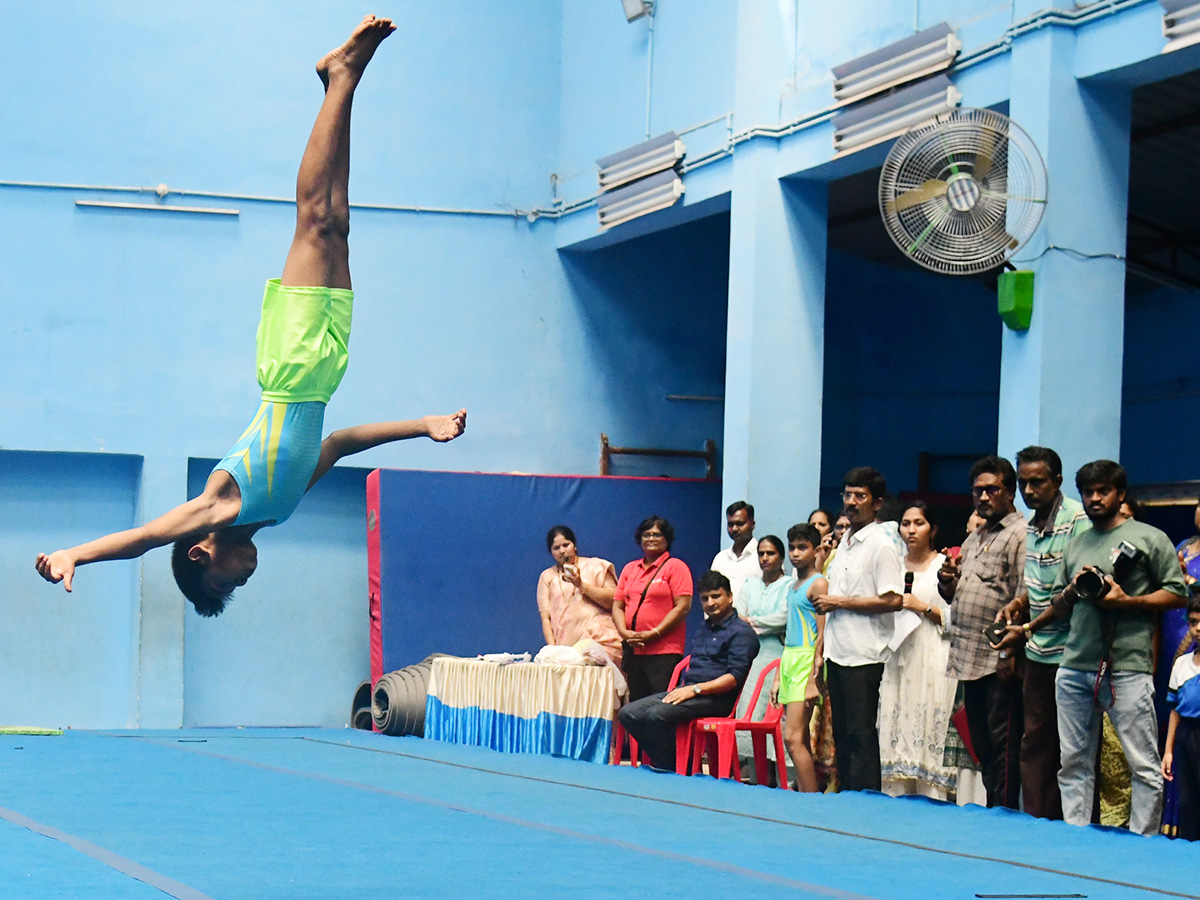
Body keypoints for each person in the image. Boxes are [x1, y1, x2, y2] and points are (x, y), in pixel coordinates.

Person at [34, 17, 467, 615]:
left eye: (225, 583)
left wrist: (76, 554)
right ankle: (342, 83)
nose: (242, 578)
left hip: (291, 365)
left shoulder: (219, 507)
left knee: (314, 218)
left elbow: (141, 539)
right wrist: (424, 424)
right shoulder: (276, 510)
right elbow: (337, 443)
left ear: (198, 555)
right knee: (336, 222)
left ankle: (341, 77)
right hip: (326, 365)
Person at [1019, 460, 1188, 835]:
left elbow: (1178, 594)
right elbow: (1064, 602)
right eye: (1088, 492)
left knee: (1141, 763)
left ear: (1120, 493)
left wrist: (1127, 602)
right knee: (1073, 760)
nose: (1095, 498)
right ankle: (1076, 835)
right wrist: (1031, 624)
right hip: (1076, 662)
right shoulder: (1077, 544)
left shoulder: (1149, 538)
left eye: (1103, 491)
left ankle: (1142, 839)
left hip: (1128, 664)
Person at [994, 446, 1090, 820]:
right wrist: (1019, 604)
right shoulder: (1031, 525)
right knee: (1033, 742)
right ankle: (1037, 824)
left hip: (1073, 651)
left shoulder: (1077, 521)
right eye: (1023, 483)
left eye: (1038, 482)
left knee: (1072, 747)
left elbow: (1073, 592)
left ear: (1058, 482)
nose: (1029, 490)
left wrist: (1029, 626)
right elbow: (1038, 586)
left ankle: (1073, 826)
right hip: (1038, 654)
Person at [940, 455, 1026, 809]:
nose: (984, 497)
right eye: (978, 490)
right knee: (982, 745)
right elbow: (960, 595)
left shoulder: (1020, 535)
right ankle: (994, 808)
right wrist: (948, 584)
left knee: (1003, 744)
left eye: (993, 489)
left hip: (998, 659)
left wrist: (1009, 654)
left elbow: (1024, 597)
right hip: (968, 657)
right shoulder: (976, 537)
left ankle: (1003, 813)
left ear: (1010, 492)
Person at [814, 467, 904, 792]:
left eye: (860, 496)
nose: (851, 502)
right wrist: (821, 653)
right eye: (847, 495)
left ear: (877, 502)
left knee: (861, 733)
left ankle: (867, 802)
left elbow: (894, 599)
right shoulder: (844, 543)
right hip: (838, 652)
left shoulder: (881, 545)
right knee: (841, 734)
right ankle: (847, 797)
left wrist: (841, 602)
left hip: (865, 654)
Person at [617, 570, 760, 772]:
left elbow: (733, 678)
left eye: (716, 596)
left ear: (729, 596)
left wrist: (695, 690)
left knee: (656, 715)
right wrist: (688, 690)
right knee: (628, 713)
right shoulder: (704, 628)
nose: (710, 603)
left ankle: (677, 768)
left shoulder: (742, 633)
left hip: (717, 699)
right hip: (690, 692)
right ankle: (677, 765)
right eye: (705, 599)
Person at [878, 502, 957, 800]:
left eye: (919, 523)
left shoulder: (944, 567)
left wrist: (923, 607)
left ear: (933, 529)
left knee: (928, 723)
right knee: (895, 720)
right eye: (906, 523)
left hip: (932, 652)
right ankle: (895, 797)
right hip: (896, 654)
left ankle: (932, 797)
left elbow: (957, 618)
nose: (911, 530)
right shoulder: (892, 565)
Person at [612, 515, 693, 701]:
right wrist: (624, 633)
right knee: (635, 706)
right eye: (646, 535)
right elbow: (618, 605)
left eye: (657, 535)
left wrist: (655, 633)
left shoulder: (676, 567)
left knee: (660, 705)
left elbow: (683, 607)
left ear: (667, 539)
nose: (651, 539)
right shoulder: (630, 568)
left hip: (663, 652)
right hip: (633, 650)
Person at [771, 523, 827, 792]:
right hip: (791, 658)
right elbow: (790, 632)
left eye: (802, 547)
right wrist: (777, 676)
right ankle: (806, 794)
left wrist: (813, 679)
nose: (795, 553)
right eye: (792, 547)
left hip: (806, 661)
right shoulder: (794, 586)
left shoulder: (819, 584)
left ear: (816, 551)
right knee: (800, 737)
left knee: (792, 738)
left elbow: (822, 634)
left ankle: (811, 799)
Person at [733, 535, 790, 775]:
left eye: (771, 553)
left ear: (781, 557)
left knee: (774, 714)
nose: (765, 558)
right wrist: (760, 624)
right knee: (748, 710)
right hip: (751, 656)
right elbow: (738, 616)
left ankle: (784, 777)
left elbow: (784, 618)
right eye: (761, 554)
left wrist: (754, 621)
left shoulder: (789, 585)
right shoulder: (750, 584)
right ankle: (757, 776)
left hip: (777, 654)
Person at [536, 526, 620, 664]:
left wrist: (581, 585)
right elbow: (546, 618)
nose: (562, 551)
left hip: (601, 641)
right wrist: (553, 652)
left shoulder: (596, 566)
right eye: (556, 548)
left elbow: (614, 601)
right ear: (551, 552)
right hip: (567, 651)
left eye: (566, 545)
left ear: (574, 545)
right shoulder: (547, 577)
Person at [1163, 597, 1200, 840]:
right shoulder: (1182, 664)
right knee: (1188, 799)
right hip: (1187, 736)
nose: (1199, 628)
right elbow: (1175, 710)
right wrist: (1168, 751)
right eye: (1194, 622)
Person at [711, 501, 760, 601]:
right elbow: (710, 592)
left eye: (740, 523)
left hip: (753, 616)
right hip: (723, 617)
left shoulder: (764, 556)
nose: (734, 529)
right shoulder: (720, 559)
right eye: (730, 524)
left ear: (752, 524)